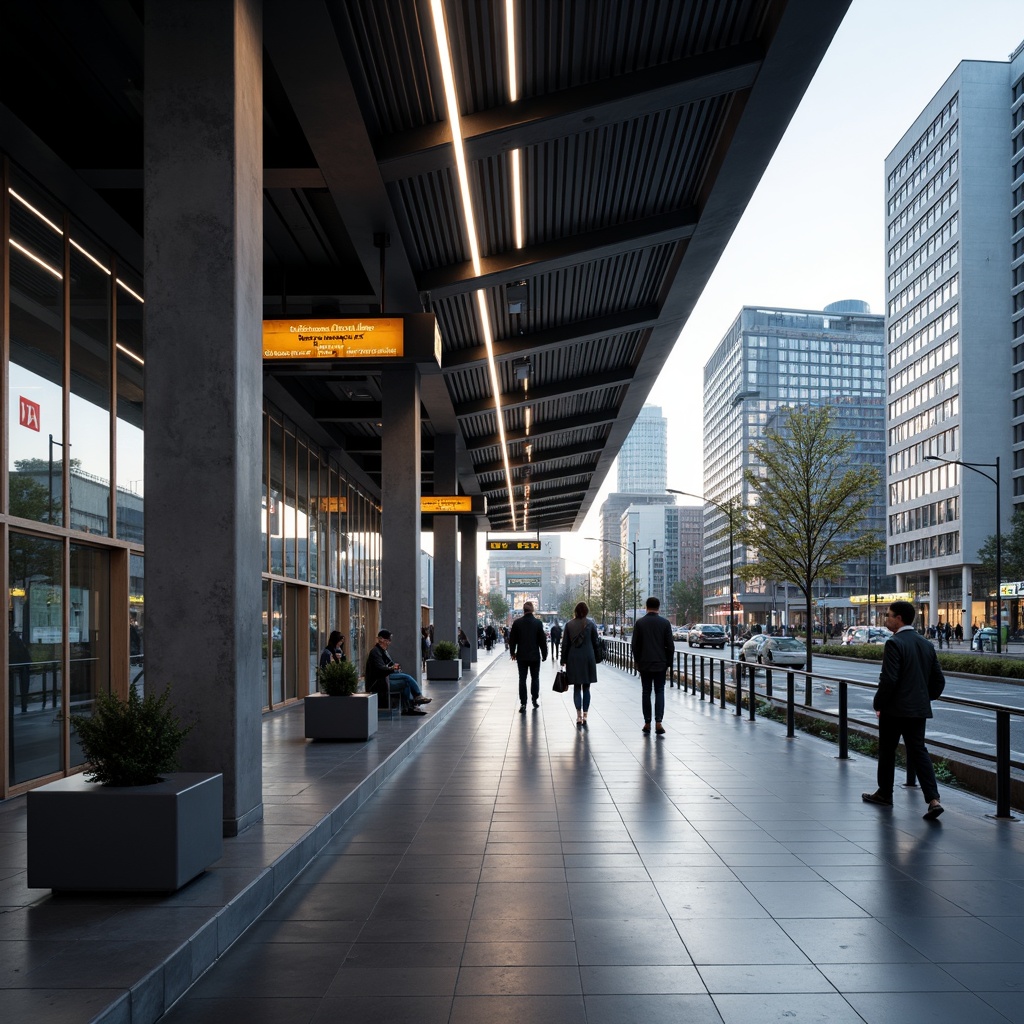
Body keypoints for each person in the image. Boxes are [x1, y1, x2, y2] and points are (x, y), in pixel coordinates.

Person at [862, 600, 945, 820]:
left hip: (894, 710)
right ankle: (933, 800)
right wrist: (924, 698)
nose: (886, 619)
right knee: (918, 751)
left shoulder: (894, 643)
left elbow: (888, 679)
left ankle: (885, 794)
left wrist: (878, 703)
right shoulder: (926, 644)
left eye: (888, 615)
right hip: (918, 709)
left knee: (887, 751)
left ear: (899, 618)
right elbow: (938, 681)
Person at [631, 596, 675, 735]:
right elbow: (670, 646)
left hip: (644, 663)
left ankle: (647, 722)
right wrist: (668, 662)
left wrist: (637, 661)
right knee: (659, 691)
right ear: (658, 607)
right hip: (660, 663)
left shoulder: (640, 623)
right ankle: (659, 722)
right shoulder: (665, 623)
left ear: (646, 607)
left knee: (646, 692)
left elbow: (634, 645)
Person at [364, 630, 431, 716]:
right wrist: (392, 668)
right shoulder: (375, 652)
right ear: (381, 640)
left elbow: (388, 666)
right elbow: (380, 669)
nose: (389, 642)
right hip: (379, 683)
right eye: (388, 640)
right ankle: (415, 699)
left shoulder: (382, 651)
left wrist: (393, 668)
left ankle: (409, 707)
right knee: (406, 680)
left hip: (385, 678)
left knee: (406, 680)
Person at [561, 603, 599, 726]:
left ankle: (578, 715)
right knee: (586, 687)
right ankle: (585, 715)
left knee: (577, 687)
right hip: (588, 658)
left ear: (575, 611)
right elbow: (596, 643)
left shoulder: (569, 625)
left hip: (574, 658)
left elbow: (565, 644)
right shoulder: (591, 624)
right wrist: (597, 658)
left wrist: (563, 660)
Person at [508, 601, 547, 712]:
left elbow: (512, 640)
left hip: (522, 656)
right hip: (535, 656)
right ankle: (534, 699)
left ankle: (523, 703)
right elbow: (542, 641)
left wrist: (512, 653)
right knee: (535, 678)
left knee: (522, 679)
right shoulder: (538, 623)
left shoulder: (517, 623)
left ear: (523, 610)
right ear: (532, 610)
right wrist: (544, 654)